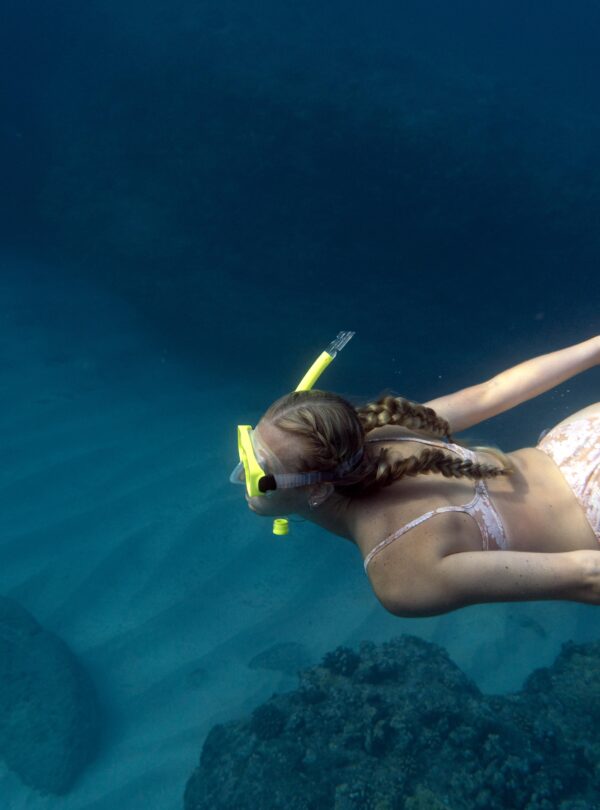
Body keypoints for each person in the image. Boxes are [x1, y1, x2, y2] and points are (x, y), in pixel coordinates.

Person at [232, 335, 600, 617]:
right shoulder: (378, 432)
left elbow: (587, 575)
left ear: (318, 490)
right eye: (246, 453)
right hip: (577, 438)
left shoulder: (400, 575)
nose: (239, 473)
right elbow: (492, 392)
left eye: (257, 468)